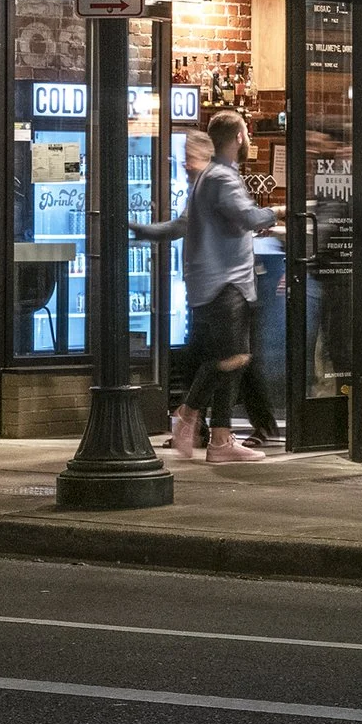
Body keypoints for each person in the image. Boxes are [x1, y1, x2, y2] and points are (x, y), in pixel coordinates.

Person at [135, 110, 276, 463]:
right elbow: (248, 217)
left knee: (230, 361)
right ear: (240, 137)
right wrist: (278, 213)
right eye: (246, 131)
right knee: (234, 357)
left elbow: (180, 226)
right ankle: (187, 413)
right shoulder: (223, 179)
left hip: (210, 284)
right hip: (226, 284)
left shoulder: (205, 179)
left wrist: (142, 230)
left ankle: (221, 441)